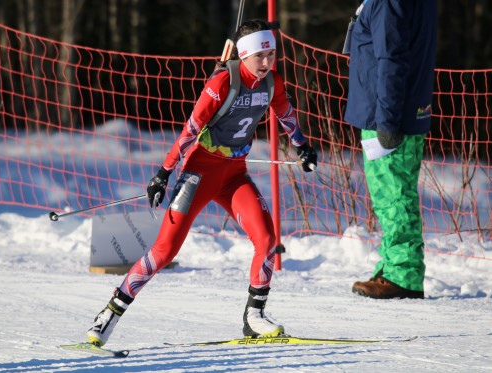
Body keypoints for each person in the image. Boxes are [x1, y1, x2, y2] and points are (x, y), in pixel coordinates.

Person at [85, 19, 318, 346]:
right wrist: (164, 172)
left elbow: (286, 113)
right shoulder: (223, 83)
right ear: (244, 54)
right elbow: (191, 128)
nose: (266, 63)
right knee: (164, 250)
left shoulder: (271, 82)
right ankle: (109, 313)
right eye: (259, 56)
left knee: (266, 239)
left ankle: (255, 316)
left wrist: (302, 145)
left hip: (235, 174)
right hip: (199, 172)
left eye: (271, 54)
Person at [344, 0, 437, 299]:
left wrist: (387, 120)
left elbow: (391, 59)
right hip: (406, 111)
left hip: (388, 116)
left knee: (393, 197)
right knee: (398, 194)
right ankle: (392, 266)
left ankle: (402, 275)